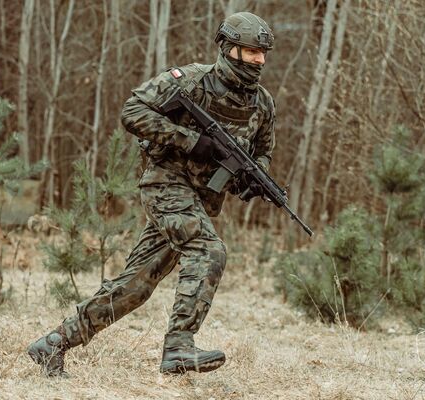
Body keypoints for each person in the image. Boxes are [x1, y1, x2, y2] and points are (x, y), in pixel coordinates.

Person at [27, 12, 276, 377]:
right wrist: (191, 140)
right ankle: (179, 347)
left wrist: (253, 178)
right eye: (253, 52)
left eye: (263, 53)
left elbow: (263, 150)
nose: (260, 60)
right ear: (229, 48)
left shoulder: (263, 103)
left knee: (135, 285)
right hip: (165, 185)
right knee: (208, 250)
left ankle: (53, 343)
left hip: (200, 200)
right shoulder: (192, 81)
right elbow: (133, 112)